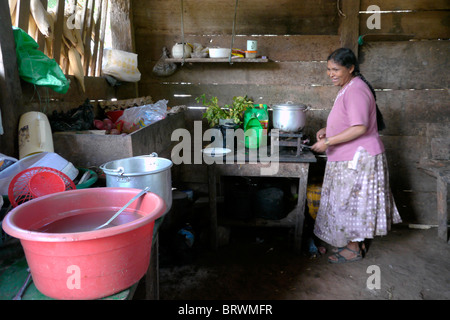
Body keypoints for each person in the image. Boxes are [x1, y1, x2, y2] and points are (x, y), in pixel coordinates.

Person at [311, 48, 402, 264]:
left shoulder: (356, 90)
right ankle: (356, 243)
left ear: (350, 68)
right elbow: (349, 119)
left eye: (335, 69)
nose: (330, 73)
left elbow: (360, 127)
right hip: (350, 156)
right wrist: (328, 130)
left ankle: (353, 250)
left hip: (359, 159)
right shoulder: (348, 87)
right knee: (348, 201)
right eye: (328, 69)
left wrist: (328, 142)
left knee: (351, 203)